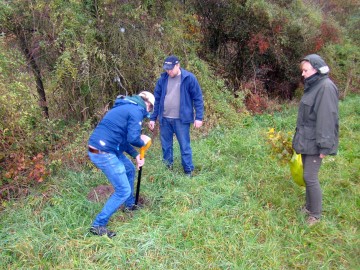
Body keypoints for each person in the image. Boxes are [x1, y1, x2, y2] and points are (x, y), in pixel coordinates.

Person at [87, 91, 154, 237]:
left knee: (129, 168)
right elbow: (133, 138)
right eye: (150, 109)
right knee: (123, 190)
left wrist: (136, 155)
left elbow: (123, 140)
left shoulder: (125, 107)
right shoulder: (136, 110)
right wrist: (143, 141)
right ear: (148, 104)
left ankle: (129, 205)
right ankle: (98, 225)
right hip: (103, 151)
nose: (148, 113)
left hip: (107, 147)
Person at [292, 54, 339, 226]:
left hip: (316, 142)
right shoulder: (314, 86)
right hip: (307, 139)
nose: (303, 74)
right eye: (302, 71)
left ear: (316, 69)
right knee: (306, 175)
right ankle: (308, 207)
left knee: (310, 177)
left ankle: (315, 215)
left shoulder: (325, 88)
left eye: (305, 70)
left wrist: (324, 147)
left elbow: (327, 118)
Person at [149, 55, 204, 177]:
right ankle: (167, 169)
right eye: (166, 69)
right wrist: (153, 118)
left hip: (181, 120)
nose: (168, 71)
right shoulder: (162, 80)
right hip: (165, 119)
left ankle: (188, 171)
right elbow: (156, 100)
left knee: (184, 146)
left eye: (171, 69)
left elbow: (198, 98)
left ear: (178, 65)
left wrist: (199, 117)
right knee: (166, 146)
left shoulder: (189, 78)